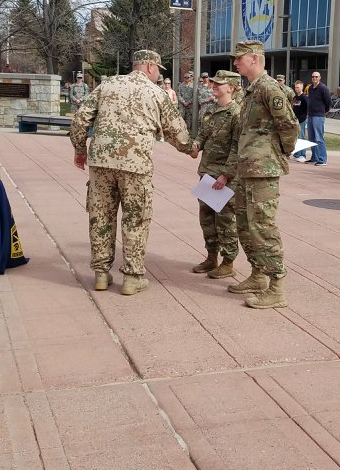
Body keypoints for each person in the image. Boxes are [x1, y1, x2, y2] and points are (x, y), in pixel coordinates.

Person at [69, 49, 193, 295]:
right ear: (149, 67)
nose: (159, 75)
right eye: (158, 70)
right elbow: (176, 130)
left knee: (100, 217)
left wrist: (80, 150)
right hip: (136, 165)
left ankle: (101, 274)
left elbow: (80, 119)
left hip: (101, 162)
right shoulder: (156, 93)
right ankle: (132, 277)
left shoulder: (107, 85)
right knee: (136, 219)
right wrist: (190, 148)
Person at [221, 41, 299, 308]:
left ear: (254, 59)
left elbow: (289, 125)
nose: (235, 63)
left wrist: (277, 154)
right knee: (244, 224)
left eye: (239, 58)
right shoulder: (251, 91)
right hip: (247, 169)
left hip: (262, 170)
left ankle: (276, 286)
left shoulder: (268, 89)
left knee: (262, 226)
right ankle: (258, 275)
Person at [189, 70, 242, 279]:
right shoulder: (211, 109)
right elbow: (203, 134)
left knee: (225, 220)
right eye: (214, 83)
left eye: (219, 84)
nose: (214, 86)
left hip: (223, 177)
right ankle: (212, 258)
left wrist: (226, 175)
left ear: (231, 87)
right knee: (207, 219)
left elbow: (238, 148)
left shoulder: (237, 114)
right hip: (207, 173)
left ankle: (228, 262)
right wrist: (195, 146)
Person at [305, 71, 332, 166]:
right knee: (311, 138)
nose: (314, 78)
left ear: (319, 78)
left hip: (318, 116)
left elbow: (328, 101)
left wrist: (325, 111)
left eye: (316, 77)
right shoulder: (311, 88)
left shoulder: (323, 88)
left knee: (319, 137)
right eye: (313, 77)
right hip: (311, 115)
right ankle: (314, 157)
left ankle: (322, 159)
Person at [291, 79, 309, 162]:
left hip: (302, 120)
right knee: (296, 137)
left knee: (301, 137)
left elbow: (308, 108)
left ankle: (303, 155)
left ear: (302, 87)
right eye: (295, 87)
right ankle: (297, 154)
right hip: (295, 120)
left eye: (298, 87)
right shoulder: (295, 97)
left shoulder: (304, 98)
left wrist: (306, 116)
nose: (296, 89)